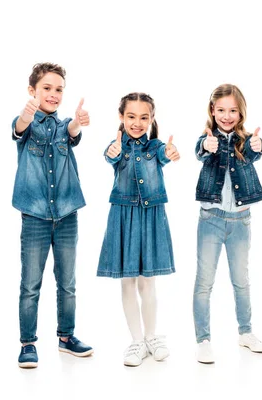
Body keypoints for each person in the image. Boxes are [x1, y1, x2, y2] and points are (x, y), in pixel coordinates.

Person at [12, 62, 93, 368]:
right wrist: (27, 113)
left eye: (59, 89)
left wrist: (78, 124)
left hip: (67, 214)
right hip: (34, 215)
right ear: (32, 91)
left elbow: (71, 132)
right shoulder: (26, 123)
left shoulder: (64, 126)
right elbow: (19, 127)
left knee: (67, 282)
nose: (53, 94)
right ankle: (28, 343)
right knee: (31, 283)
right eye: (46, 88)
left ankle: (66, 337)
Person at [97, 92, 180, 367]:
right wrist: (113, 151)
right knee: (127, 281)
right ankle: (136, 341)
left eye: (144, 117)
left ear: (151, 118)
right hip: (123, 215)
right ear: (121, 117)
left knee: (148, 281)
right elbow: (110, 156)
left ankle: (152, 336)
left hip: (151, 216)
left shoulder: (155, 146)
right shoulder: (117, 146)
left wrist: (169, 153)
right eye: (131, 116)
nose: (137, 122)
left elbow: (164, 156)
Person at [193, 83, 262, 364]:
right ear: (212, 111)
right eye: (221, 110)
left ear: (241, 112)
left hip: (240, 220)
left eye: (233, 110)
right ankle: (203, 340)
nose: (226, 115)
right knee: (204, 282)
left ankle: (246, 333)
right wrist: (205, 145)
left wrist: (259, 146)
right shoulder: (207, 138)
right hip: (210, 219)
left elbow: (254, 153)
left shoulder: (246, 140)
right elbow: (200, 151)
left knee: (241, 281)